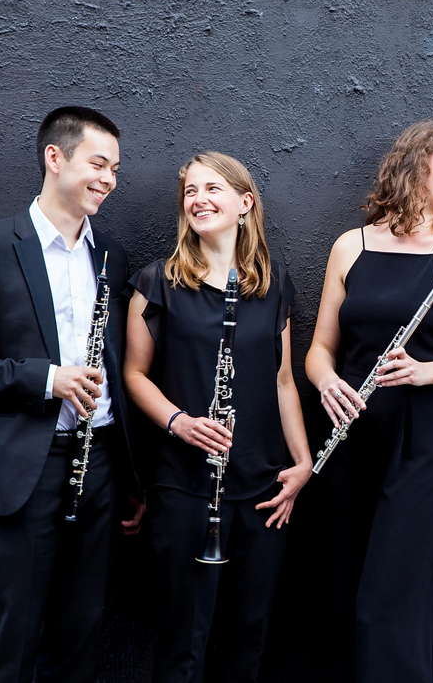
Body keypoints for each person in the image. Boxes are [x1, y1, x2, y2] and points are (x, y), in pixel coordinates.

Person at [0, 106, 144, 683]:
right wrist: (47, 378)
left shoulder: (110, 255)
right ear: (55, 157)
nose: (109, 180)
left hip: (96, 465)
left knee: (82, 627)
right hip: (25, 466)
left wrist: (128, 476)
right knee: (14, 629)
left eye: (116, 169)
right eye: (99, 163)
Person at [304, 119, 433, 683]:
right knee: (345, 585)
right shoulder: (352, 245)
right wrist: (327, 383)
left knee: (397, 596)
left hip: (428, 438)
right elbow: (320, 350)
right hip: (353, 432)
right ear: (417, 157)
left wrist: (426, 371)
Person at [124, 151, 311, 683]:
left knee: (247, 639)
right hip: (183, 485)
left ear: (245, 203)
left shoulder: (273, 284)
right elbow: (134, 375)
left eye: (213, 190)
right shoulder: (156, 282)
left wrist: (302, 466)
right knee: (183, 640)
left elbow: (282, 382)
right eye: (190, 193)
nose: (199, 200)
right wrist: (178, 421)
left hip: (261, 486)